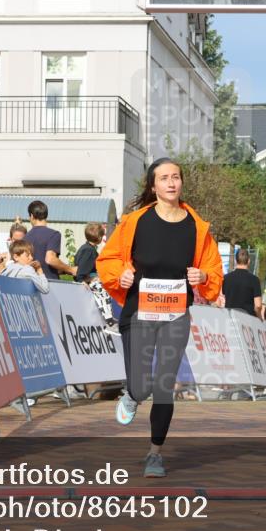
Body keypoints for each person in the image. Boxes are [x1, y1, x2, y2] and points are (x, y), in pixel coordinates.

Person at [97, 158, 222, 478]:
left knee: (165, 385)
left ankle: (155, 453)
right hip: (138, 313)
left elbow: (214, 274)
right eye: (164, 178)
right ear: (153, 186)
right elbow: (107, 260)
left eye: (176, 177)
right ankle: (132, 395)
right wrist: (120, 276)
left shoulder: (198, 227)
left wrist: (201, 276)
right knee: (141, 387)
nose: (171, 183)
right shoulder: (135, 222)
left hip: (175, 317)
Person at [74, 222, 118, 333]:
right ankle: (109, 321)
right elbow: (81, 270)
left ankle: (108, 318)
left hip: (89, 279)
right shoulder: (89, 251)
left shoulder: (86, 248)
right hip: (89, 282)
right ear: (99, 238)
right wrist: (82, 280)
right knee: (102, 289)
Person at [27, 200, 76, 280]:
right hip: (49, 283)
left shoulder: (25, 237)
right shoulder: (53, 235)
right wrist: (71, 269)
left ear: (32, 216)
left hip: (29, 281)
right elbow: (50, 259)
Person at [222, 248, 263, 319]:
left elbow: (222, 299)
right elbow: (258, 305)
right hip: (248, 319)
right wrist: (259, 317)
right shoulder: (254, 280)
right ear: (249, 261)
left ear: (235, 261)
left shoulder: (226, 278)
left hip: (230, 317)